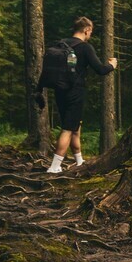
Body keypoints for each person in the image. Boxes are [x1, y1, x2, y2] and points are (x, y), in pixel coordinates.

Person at [36, 16, 117, 173]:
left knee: (74, 127)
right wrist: (112, 65)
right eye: (90, 31)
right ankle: (54, 167)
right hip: (75, 92)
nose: (90, 34)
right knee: (67, 128)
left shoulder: (61, 44)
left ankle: (80, 162)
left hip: (60, 91)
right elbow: (100, 70)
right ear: (87, 30)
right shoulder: (85, 47)